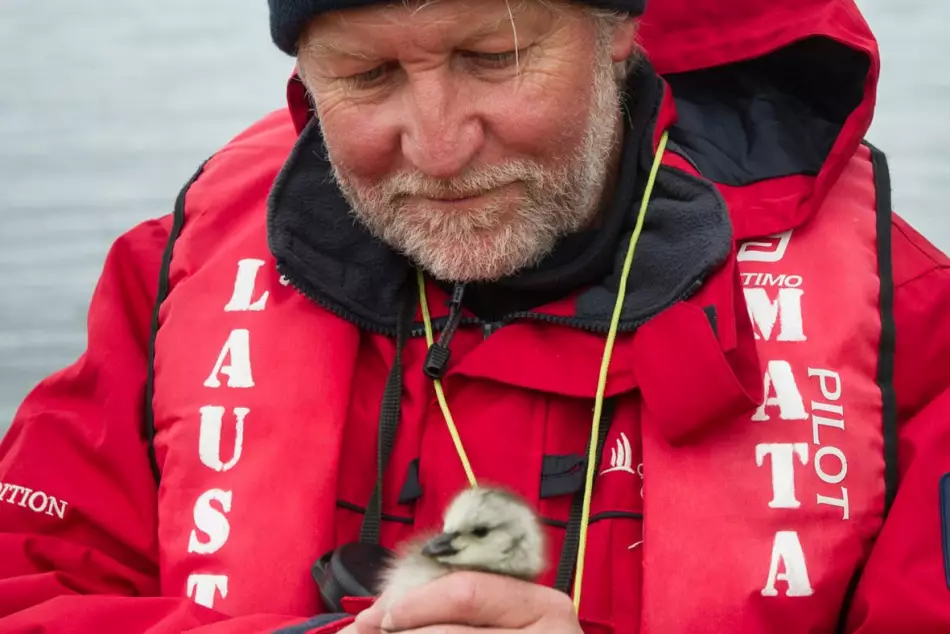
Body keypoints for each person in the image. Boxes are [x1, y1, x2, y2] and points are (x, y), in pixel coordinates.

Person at [1, 0, 949, 631]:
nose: (441, 146)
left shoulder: (910, 322)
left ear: (616, 27)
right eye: (369, 77)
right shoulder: (164, 284)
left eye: (492, 57)